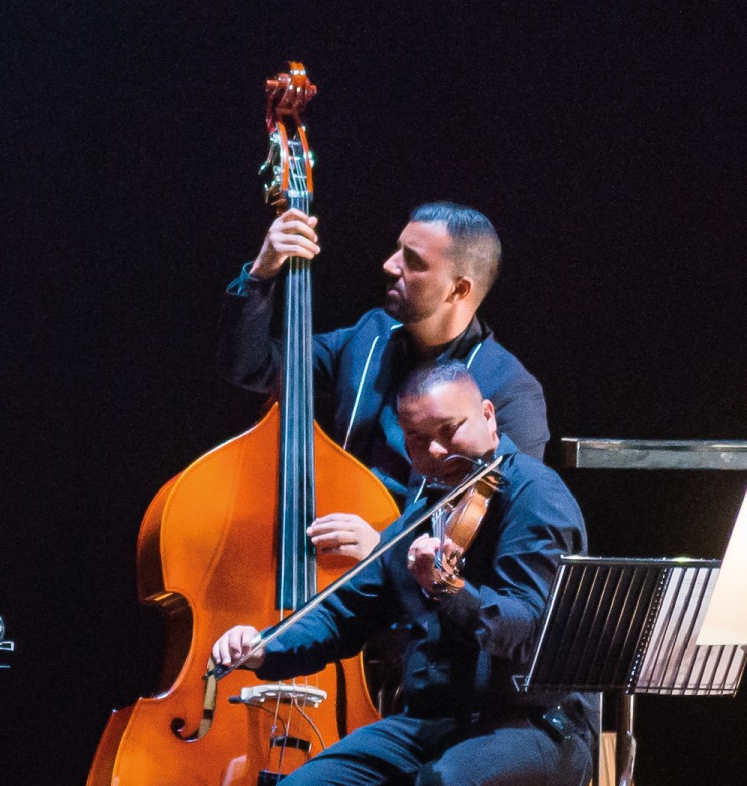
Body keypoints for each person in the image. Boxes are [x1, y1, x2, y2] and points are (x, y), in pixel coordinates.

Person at [209, 362, 591, 786]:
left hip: (538, 725)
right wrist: (265, 645)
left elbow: (527, 626)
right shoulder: (426, 511)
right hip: (441, 722)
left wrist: (452, 591)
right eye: (419, 440)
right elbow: (344, 611)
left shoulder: (536, 499)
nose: (436, 452)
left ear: (488, 418)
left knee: (448, 785)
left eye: (450, 431)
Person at [219, 201, 549, 562]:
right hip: (330, 561)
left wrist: (386, 551)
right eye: (397, 250)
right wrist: (263, 272)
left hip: (415, 588)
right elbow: (250, 366)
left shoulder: (510, 391)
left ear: (458, 290)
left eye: (413, 261)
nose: (390, 265)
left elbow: (505, 530)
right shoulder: (370, 336)